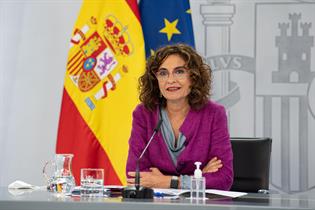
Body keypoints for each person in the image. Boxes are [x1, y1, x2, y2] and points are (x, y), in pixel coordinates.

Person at [126, 44, 233, 190]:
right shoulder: (144, 114)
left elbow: (223, 178)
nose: (170, 80)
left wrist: (169, 182)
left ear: (193, 78)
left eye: (179, 72)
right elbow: (134, 176)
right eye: (163, 73)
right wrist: (199, 177)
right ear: (155, 80)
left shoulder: (214, 114)